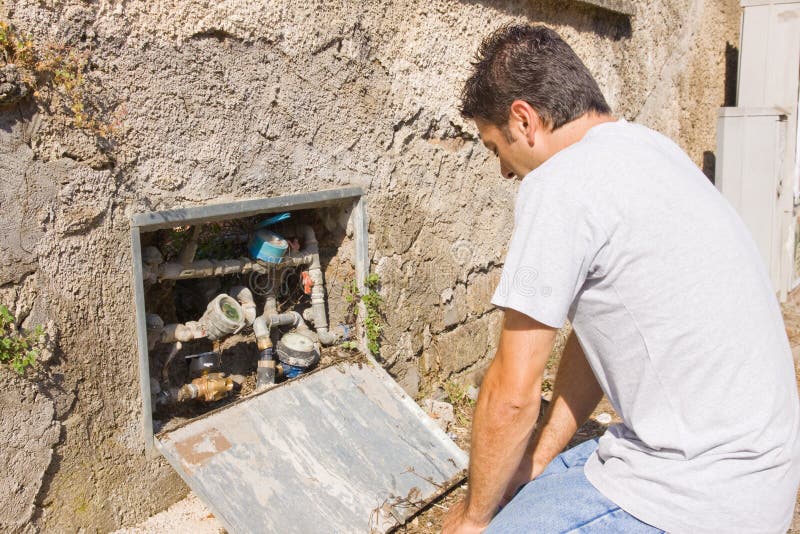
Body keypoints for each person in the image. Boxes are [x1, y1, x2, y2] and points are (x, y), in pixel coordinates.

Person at [442, 24, 800, 534]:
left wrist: (473, 519)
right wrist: (537, 459)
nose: (503, 170)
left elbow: (513, 390)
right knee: (524, 485)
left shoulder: (560, 184)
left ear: (524, 119)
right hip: (759, 483)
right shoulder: (653, 151)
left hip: (697, 496)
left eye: (494, 146)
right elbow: (602, 339)